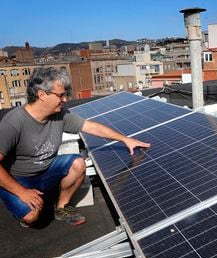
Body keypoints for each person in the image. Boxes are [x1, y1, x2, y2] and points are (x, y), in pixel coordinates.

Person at [0, 67, 150, 227]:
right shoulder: (13, 123)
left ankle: (61, 208)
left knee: (78, 163)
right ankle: (23, 205)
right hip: (18, 180)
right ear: (41, 95)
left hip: (46, 170)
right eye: (60, 95)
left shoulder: (60, 114)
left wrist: (124, 139)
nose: (65, 99)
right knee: (31, 217)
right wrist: (21, 192)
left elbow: (91, 127)